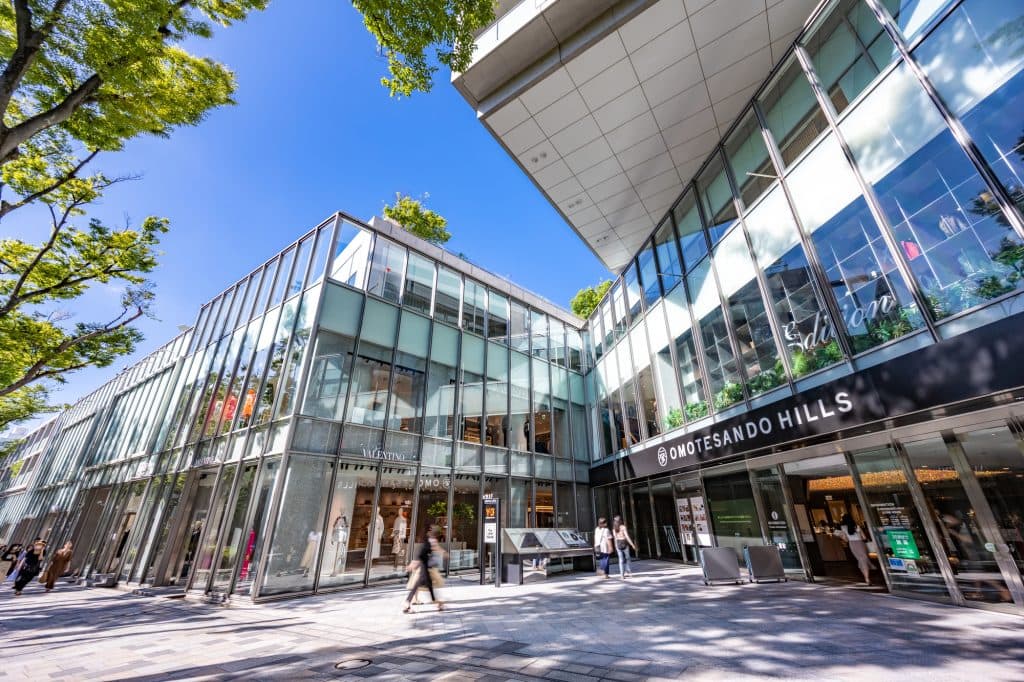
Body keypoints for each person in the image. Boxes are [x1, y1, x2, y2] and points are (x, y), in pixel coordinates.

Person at [402, 527, 444, 613]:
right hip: (424, 569)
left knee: (420, 587)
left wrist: (414, 564)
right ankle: (438, 604)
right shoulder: (428, 542)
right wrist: (413, 564)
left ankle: (407, 604)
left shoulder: (428, 541)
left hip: (424, 569)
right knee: (425, 587)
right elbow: (421, 555)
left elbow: (422, 555)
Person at [839, 513, 872, 585]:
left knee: (860, 560)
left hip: (852, 544)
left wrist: (841, 536)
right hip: (860, 544)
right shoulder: (857, 526)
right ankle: (867, 578)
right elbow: (864, 537)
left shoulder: (843, 528)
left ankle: (866, 578)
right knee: (864, 560)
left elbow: (846, 540)